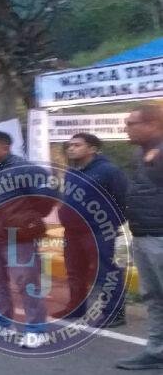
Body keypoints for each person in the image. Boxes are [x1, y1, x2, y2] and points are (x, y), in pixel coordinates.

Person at [0, 131, 55, 348]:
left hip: (17, 238)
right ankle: (1, 323)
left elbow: (47, 199)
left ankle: (36, 330)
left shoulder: (27, 170)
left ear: (5, 148)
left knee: (26, 283)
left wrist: (25, 219)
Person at [59, 133, 128, 327]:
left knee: (107, 271)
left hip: (100, 231)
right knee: (75, 271)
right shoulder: (71, 171)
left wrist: (112, 223)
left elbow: (123, 198)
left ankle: (114, 313)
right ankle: (76, 308)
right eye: (70, 145)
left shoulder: (108, 170)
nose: (71, 148)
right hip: (72, 231)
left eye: (77, 145)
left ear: (92, 149)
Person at [115, 105, 163, 370]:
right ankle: (156, 351)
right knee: (153, 297)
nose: (126, 129)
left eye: (131, 124)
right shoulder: (139, 152)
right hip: (143, 234)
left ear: (153, 124)